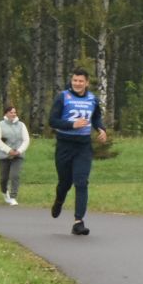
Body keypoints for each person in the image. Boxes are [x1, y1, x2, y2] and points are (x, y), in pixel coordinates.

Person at [46, 69, 108, 235]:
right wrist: (71, 125)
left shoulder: (92, 99)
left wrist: (101, 129)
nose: (77, 84)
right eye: (75, 80)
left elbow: (96, 117)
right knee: (65, 183)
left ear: (86, 83)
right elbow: (52, 121)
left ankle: (78, 222)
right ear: (71, 81)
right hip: (65, 145)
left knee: (81, 182)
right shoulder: (63, 97)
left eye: (81, 81)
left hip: (83, 146)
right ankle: (59, 200)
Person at [0, 103, 30, 205]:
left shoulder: (21, 125)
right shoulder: (0, 125)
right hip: (4, 156)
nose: (13, 114)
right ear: (6, 113)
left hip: (18, 155)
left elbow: (26, 140)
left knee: (15, 175)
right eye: (11, 112)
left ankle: (13, 197)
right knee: (3, 178)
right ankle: (5, 193)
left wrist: (19, 151)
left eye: (15, 112)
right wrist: (9, 150)